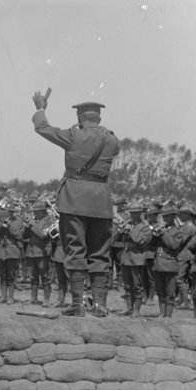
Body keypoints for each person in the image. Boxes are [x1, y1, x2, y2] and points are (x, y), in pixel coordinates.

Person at [31, 89, 120, 316]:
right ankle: (99, 304)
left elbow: (42, 128)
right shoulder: (111, 139)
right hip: (101, 202)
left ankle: (78, 304)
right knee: (100, 253)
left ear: (80, 118)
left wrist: (41, 108)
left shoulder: (74, 135)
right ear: (99, 118)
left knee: (75, 250)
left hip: (74, 200)